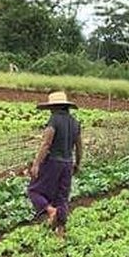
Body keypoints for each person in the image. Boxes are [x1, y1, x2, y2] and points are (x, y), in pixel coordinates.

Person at [28, 91, 82, 232]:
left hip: (52, 162)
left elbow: (46, 143)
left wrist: (36, 164)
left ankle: (50, 210)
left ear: (54, 107)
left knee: (34, 191)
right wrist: (78, 163)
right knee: (62, 196)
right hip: (68, 163)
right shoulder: (75, 123)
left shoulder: (54, 120)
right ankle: (61, 230)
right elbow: (79, 146)